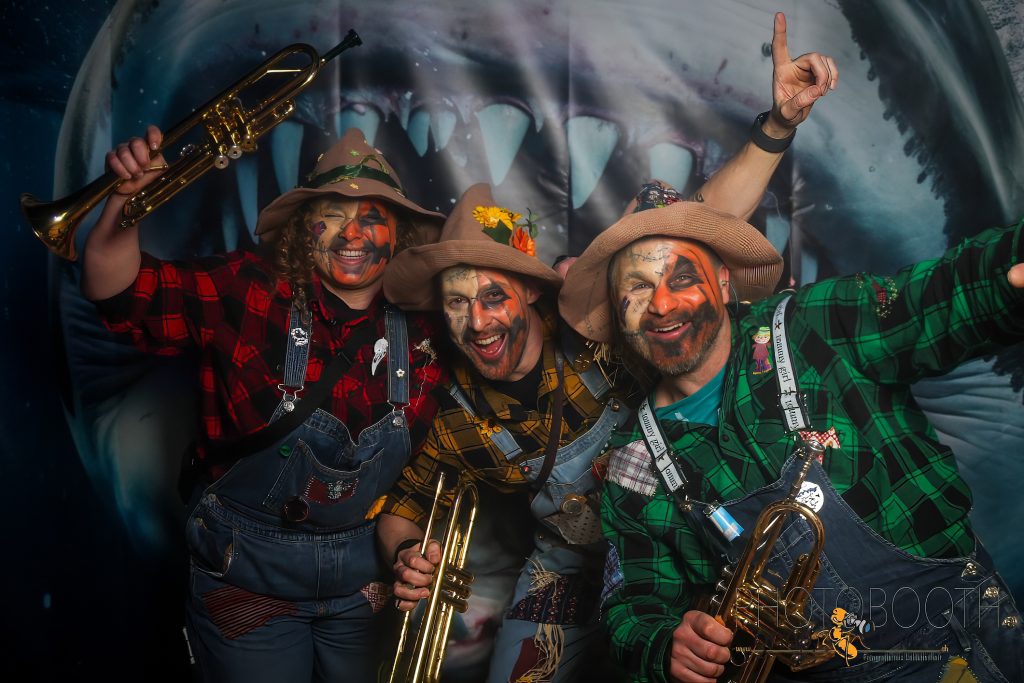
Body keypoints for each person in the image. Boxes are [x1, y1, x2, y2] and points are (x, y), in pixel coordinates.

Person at [377, 14, 839, 681]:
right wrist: (405, 556)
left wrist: (777, 127)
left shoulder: (602, 325)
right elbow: (401, 507)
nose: (478, 321)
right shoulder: (457, 417)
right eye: (456, 302)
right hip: (566, 569)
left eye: (494, 296)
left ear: (528, 292)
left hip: (674, 548)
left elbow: (701, 218)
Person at [557, 183, 1024, 682]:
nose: (662, 305)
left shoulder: (811, 326)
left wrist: (1005, 272)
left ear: (723, 281)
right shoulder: (634, 464)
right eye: (637, 288)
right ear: (618, 312)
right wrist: (665, 645)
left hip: (962, 633)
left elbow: (935, 297)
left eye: (682, 277)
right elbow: (634, 603)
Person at [82, 126, 448, 682]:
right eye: (332, 214)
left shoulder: (426, 333)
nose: (352, 232)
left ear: (399, 234)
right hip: (246, 581)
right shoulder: (248, 290)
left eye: (372, 217)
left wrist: (411, 550)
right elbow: (120, 291)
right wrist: (125, 204)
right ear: (304, 227)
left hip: (363, 587)